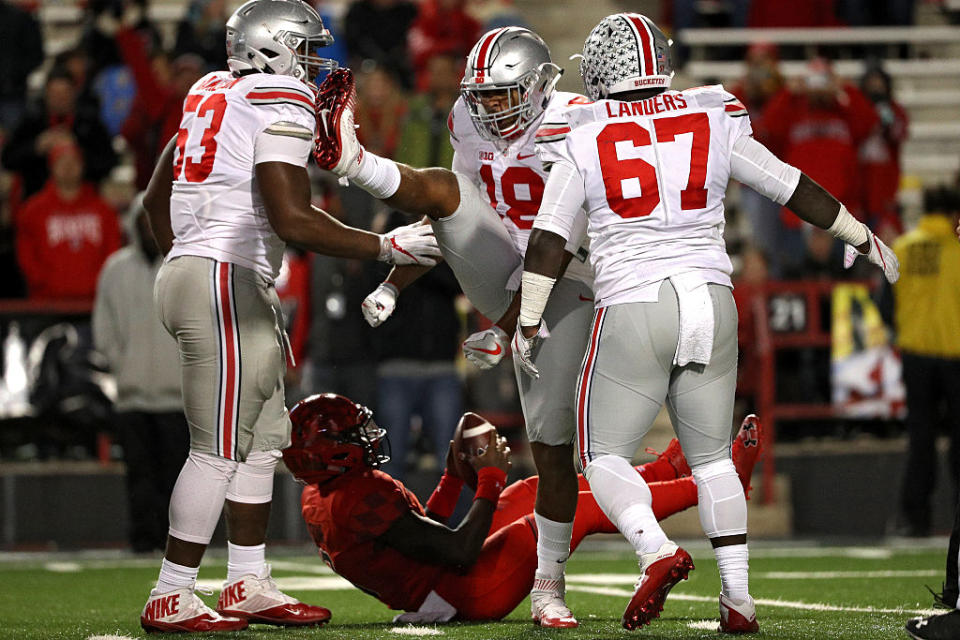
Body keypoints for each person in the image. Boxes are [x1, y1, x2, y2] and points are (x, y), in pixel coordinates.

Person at [513, 12, 900, 633]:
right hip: (712, 297)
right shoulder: (711, 114)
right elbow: (788, 185)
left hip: (635, 300)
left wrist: (529, 318)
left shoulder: (583, 132)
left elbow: (549, 241)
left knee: (602, 455)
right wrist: (858, 233)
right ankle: (739, 598)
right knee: (713, 459)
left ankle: (655, 549)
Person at [138, 0, 441, 632]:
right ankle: (171, 591)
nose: (312, 65)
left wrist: (184, 255)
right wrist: (385, 246)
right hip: (223, 277)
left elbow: (153, 193)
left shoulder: (210, 90)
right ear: (271, 52)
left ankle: (247, 582)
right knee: (217, 449)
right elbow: (292, 218)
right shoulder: (277, 98)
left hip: (218, 274)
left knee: (260, 441)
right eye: (304, 50)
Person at [315, 27, 596, 627]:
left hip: (580, 275)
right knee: (443, 189)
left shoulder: (580, 121)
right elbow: (447, 215)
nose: (488, 106)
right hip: (511, 276)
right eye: (482, 94)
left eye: (502, 94)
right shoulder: (465, 122)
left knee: (560, 449)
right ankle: (353, 161)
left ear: (541, 85)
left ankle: (564, 579)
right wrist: (392, 282)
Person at [285, 393, 763, 623]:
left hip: (440, 582)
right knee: (568, 508)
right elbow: (458, 550)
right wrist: (489, 478)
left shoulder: (327, 492)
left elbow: (421, 535)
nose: (367, 438)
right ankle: (713, 485)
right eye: (353, 435)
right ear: (330, 450)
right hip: (464, 589)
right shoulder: (355, 495)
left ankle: (666, 475)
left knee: (545, 486)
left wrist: (455, 477)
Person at [92, 193, 189, 552]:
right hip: (131, 395)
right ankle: (142, 540)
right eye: (144, 220)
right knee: (139, 475)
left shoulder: (183, 266)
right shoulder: (115, 269)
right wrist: (121, 366)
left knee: (176, 479)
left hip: (176, 397)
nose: (149, 228)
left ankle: (177, 545)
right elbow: (104, 327)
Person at [893, 185, 960, 537]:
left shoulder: (903, 247)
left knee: (921, 439)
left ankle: (915, 519)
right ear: (953, 215)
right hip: (955, 355)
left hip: (915, 356)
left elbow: (885, 303)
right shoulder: (957, 249)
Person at [16, 142, 121, 301]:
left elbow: (113, 252)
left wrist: (100, 285)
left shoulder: (104, 210)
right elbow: (26, 256)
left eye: (73, 161)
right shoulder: (32, 211)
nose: (68, 167)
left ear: (82, 166)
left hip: (95, 301)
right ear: (51, 166)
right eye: (61, 162)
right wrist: (45, 285)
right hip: (47, 303)